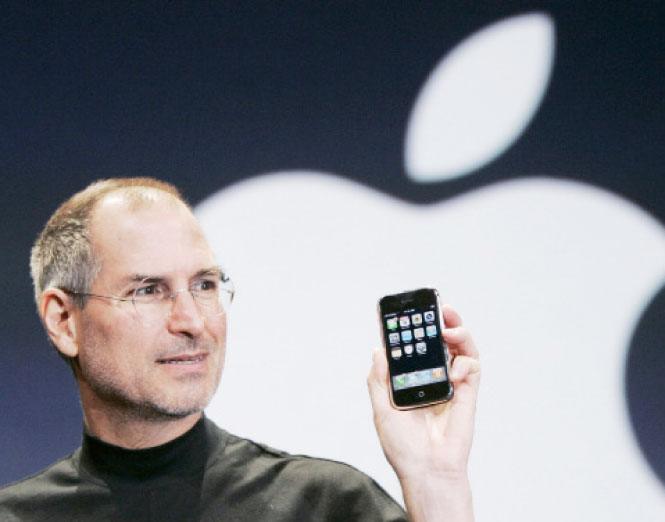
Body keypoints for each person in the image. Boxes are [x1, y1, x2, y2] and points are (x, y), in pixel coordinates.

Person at [0, 178, 481, 521]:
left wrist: (434, 481)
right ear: (64, 321)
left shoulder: (324, 506)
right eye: (147, 290)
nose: (192, 321)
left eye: (205, 284)